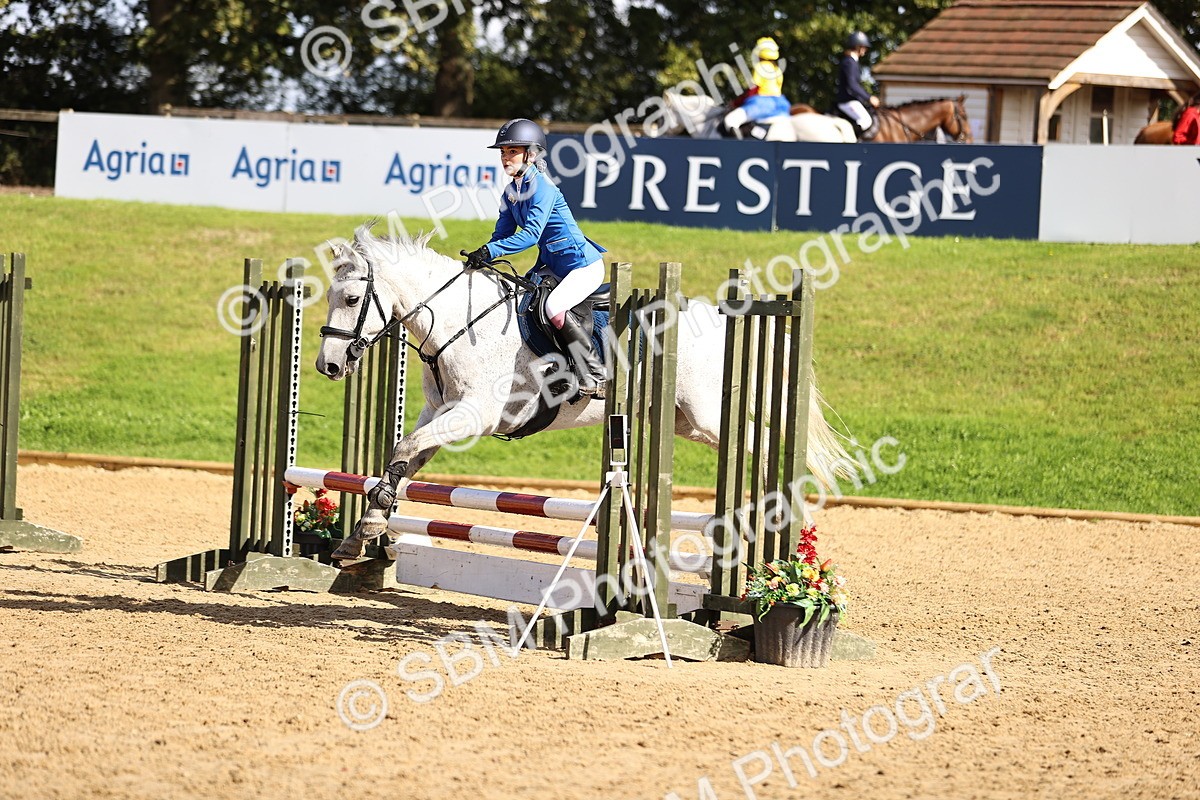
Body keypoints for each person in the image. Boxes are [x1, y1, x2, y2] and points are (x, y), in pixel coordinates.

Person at [465, 118, 608, 400]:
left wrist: (492, 251)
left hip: (582, 266)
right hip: (552, 268)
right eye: (503, 153)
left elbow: (530, 235)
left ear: (531, 154)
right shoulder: (511, 192)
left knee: (554, 307)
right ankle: (560, 367)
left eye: (512, 152)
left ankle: (594, 373)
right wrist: (482, 255)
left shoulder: (543, 188)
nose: (505, 157)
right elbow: (502, 233)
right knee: (526, 301)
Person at [724, 36, 791, 137]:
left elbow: (753, 90)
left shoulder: (761, 67)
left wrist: (736, 103)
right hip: (781, 106)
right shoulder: (777, 70)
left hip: (761, 104)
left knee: (730, 120)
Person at [835, 31, 880, 140]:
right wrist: (869, 98)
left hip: (852, 100)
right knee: (866, 120)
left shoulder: (852, 62)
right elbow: (852, 85)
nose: (865, 50)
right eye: (863, 47)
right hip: (847, 101)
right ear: (857, 46)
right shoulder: (849, 62)